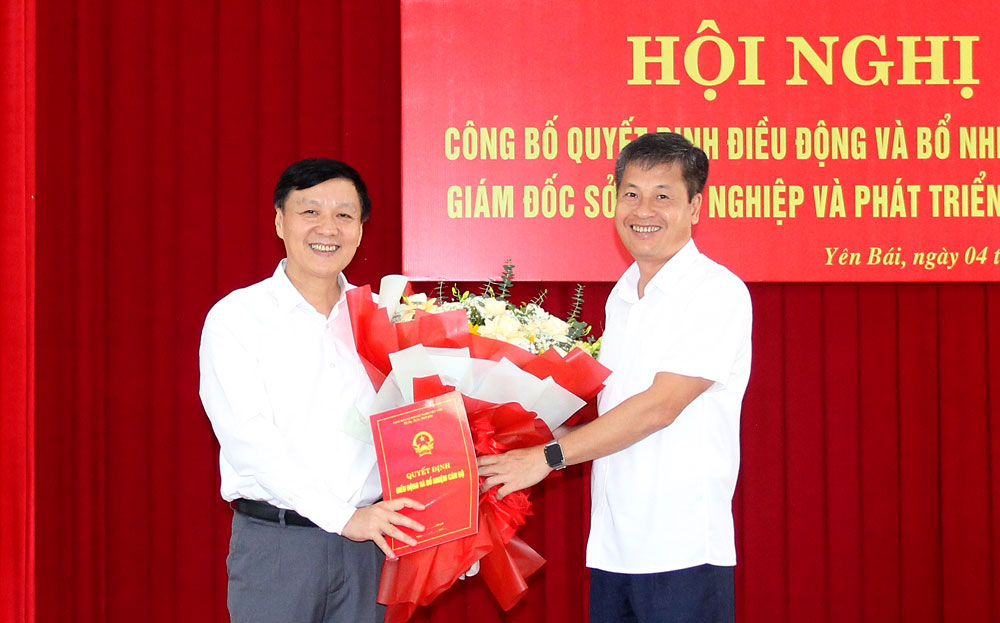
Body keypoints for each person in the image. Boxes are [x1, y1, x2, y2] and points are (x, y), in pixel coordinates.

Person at [478, 132, 752, 623]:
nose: (643, 210)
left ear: (695, 207)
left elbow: (658, 407)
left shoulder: (716, 292)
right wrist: (513, 429)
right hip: (613, 550)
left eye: (662, 196)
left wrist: (547, 457)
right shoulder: (623, 296)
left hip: (683, 552)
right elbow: (619, 412)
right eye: (631, 193)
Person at [199, 158, 424, 622]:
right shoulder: (237, 318)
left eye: (344, 214)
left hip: (372, 553)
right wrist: (343, 518)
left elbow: (418, 428)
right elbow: (249, 441)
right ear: (279, 220)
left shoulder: (386, 317)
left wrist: (451, 516)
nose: (328, 228)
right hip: (279, 549)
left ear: (361, 228)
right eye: (310, 212)